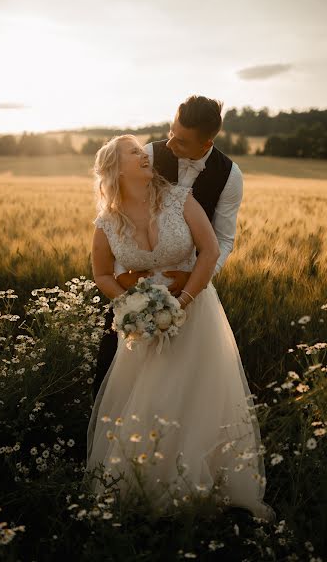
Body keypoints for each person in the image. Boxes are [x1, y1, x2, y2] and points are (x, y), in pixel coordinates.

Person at [85, 130, 276, 522]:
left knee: (193, 398)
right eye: (134, 152)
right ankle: (145, 487)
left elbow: (210, 251)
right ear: (114, 169)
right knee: (148, 400)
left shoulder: (179, 199)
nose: (145, 155)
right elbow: (101, 273)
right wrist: (130, 302)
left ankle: (200, 486)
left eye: (142, 150)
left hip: (194, 311)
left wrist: (181, 302)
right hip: (143, 320)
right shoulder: (106, 222)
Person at [92, 95, 243, 399]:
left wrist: (194, 280)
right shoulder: (147, 155)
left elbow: (222, 241)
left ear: (206, 143)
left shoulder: (229, 176)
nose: (170, 144)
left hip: (192, 290)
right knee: (118, 385)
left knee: (194, 391)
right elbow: (119, 220)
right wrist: (126, 282)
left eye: (182, 141)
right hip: (137, 298)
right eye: (171, 131)